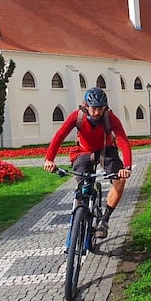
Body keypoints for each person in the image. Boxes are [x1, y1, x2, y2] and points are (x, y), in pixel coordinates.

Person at [43, 87, 133, 238]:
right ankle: (80, 216)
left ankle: (104, 220)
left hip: (106, 150)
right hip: (83, 151)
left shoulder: (110, 118)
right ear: (86, 106)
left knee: (120, 181)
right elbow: (60, 135)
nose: (97, 113)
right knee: (84, 187)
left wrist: (127, 166)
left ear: (105, 107)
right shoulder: (77, 116)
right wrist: (49, 159)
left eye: (100, 108)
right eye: (94, 108)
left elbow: (122, 140)